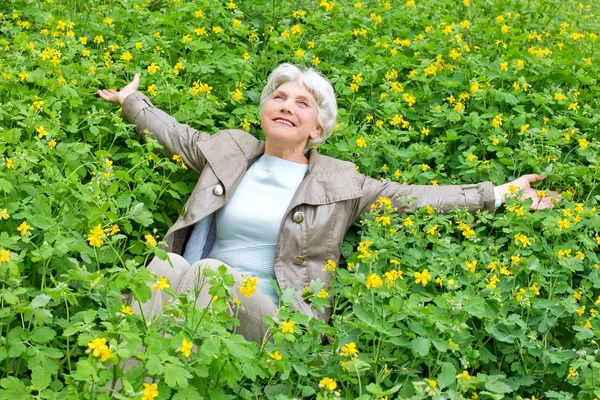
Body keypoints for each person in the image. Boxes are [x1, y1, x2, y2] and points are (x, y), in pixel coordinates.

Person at [98, 63, 558, 343]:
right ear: (263, 113)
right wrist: (131, 100)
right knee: (162, 267)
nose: (286, 105)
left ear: (317, 130)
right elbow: (174, 135)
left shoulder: (339, 182)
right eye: (278, 97)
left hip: (275, 319)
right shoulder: (231, 151)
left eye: (302, 103)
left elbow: (414, 198)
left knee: (202, 273)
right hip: (198, 297)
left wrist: (500, 194)